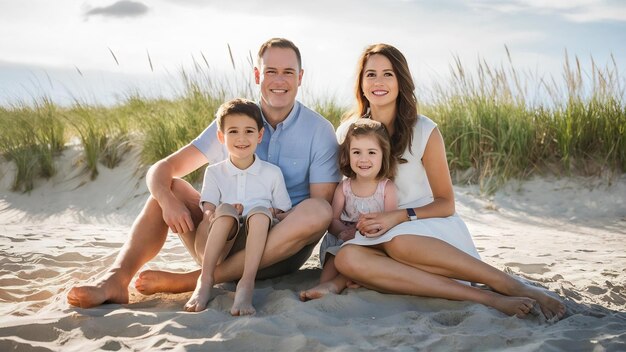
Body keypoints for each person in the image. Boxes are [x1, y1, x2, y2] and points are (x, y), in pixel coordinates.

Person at [67, 38, 341, 309]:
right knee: (168, 188)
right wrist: (167, 199)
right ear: (257, 75)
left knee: (318, 210)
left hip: (276, 248)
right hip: (219, 238)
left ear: (300, 77)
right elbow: (162, 168)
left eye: (288, 72)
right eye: (271, 71)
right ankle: (116, 279)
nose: (279, 80)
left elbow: (320, 206)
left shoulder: (318, 130)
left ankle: (193, 280)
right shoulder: (235, 119)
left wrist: (268, 214)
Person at [333, 43, 566, 320]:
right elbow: (345, 191)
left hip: (425, 227)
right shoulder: (348, 132)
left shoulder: (424, 130)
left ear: (401, 81)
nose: (379, 82)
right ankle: (487, 298)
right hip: (373, 236)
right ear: (361, 83)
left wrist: (398, 216)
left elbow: (446, 204)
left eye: (388, 74)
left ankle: (508, 284)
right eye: (370, 74)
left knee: (400, 244)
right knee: (347, 259)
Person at [184, 98, 291, 315]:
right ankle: (205, 280)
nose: (241, 138)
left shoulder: (272, 173)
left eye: (249, 131)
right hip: (221, 241)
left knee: (261, 213)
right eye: (233, 131)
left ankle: (246, 284)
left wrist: (271, 212)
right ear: (221, 137)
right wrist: (216, 212)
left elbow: (283, 210)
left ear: (259, 136)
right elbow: (207, 208)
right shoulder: (214, 172)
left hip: (253, 242)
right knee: (225, 211)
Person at [300, 119, 397, 301]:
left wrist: (368, 233)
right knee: (335, 254)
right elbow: (332, 221)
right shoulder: (344, 187)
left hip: (372, 240)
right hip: (342, 238)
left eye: (371, 152)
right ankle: (323, 285)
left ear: (383, 154)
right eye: (356, 152)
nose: (363, 159)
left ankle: (337, 284)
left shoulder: (386, 188)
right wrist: (344, 233)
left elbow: (390, 222)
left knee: (359, 256)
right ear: (348, 155)